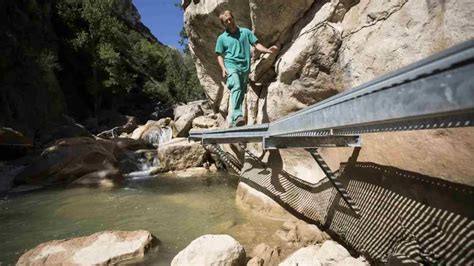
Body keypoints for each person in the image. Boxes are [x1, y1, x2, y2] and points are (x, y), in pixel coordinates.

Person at [215, 10, 278, 127]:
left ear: (233, 18)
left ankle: (233, 120)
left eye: (230, 19)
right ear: (224, 24)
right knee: (237, 86)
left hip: (244, 68)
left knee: (241, 92)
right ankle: (238, 115)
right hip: (231, 65)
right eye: (226, 21)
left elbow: (256, 44)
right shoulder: (222, 38)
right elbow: (219, 55)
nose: (229, 22)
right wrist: (223, 68)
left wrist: (268, 50)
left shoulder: (246, 32)